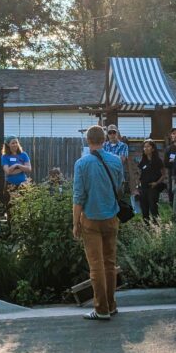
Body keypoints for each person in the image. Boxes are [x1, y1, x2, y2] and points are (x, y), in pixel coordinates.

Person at [73, 126, 123, 321]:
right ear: (105, 139)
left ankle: (101, 309)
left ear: (88, 141)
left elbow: (78, 196)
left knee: (96, 266)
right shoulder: (116, 160)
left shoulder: (82, 163)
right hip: (111, 217)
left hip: (91, 219)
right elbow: (119, 186)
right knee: (110, 263)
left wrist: (75, 223)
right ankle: (111, 305)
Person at [103, 125, 137, 214]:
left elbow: (121, 160)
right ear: (107, 134)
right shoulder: (104, 145)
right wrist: (113, 159)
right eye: (110, 132)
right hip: (106, 175)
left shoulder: (123, 145)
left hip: (118, 175)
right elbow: (102, 160)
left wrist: (108, 160)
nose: (112, 134)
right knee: (107, 195)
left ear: (117, 133)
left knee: (118, 196)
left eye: (114, 132)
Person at [136, 139, 165, 222]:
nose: (146, 148)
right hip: (143, 187)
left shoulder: (158, 161)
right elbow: (138, 174)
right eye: (144, 147)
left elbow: (164, 174)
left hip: (153, 187)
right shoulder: (142, 160)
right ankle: (147, 226)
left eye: (148, 146)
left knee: (153, 207)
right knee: (144, 208)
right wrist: (137, 186)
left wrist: (156, 183)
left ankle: (157, 226)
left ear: (153, 148)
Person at [162, 127, 176, 207]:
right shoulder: (169, 148)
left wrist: (174, 160)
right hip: (173, 175)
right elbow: (166, 163)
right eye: (173, 133)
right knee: (172, 191)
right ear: (171, 136)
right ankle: (173, 210)